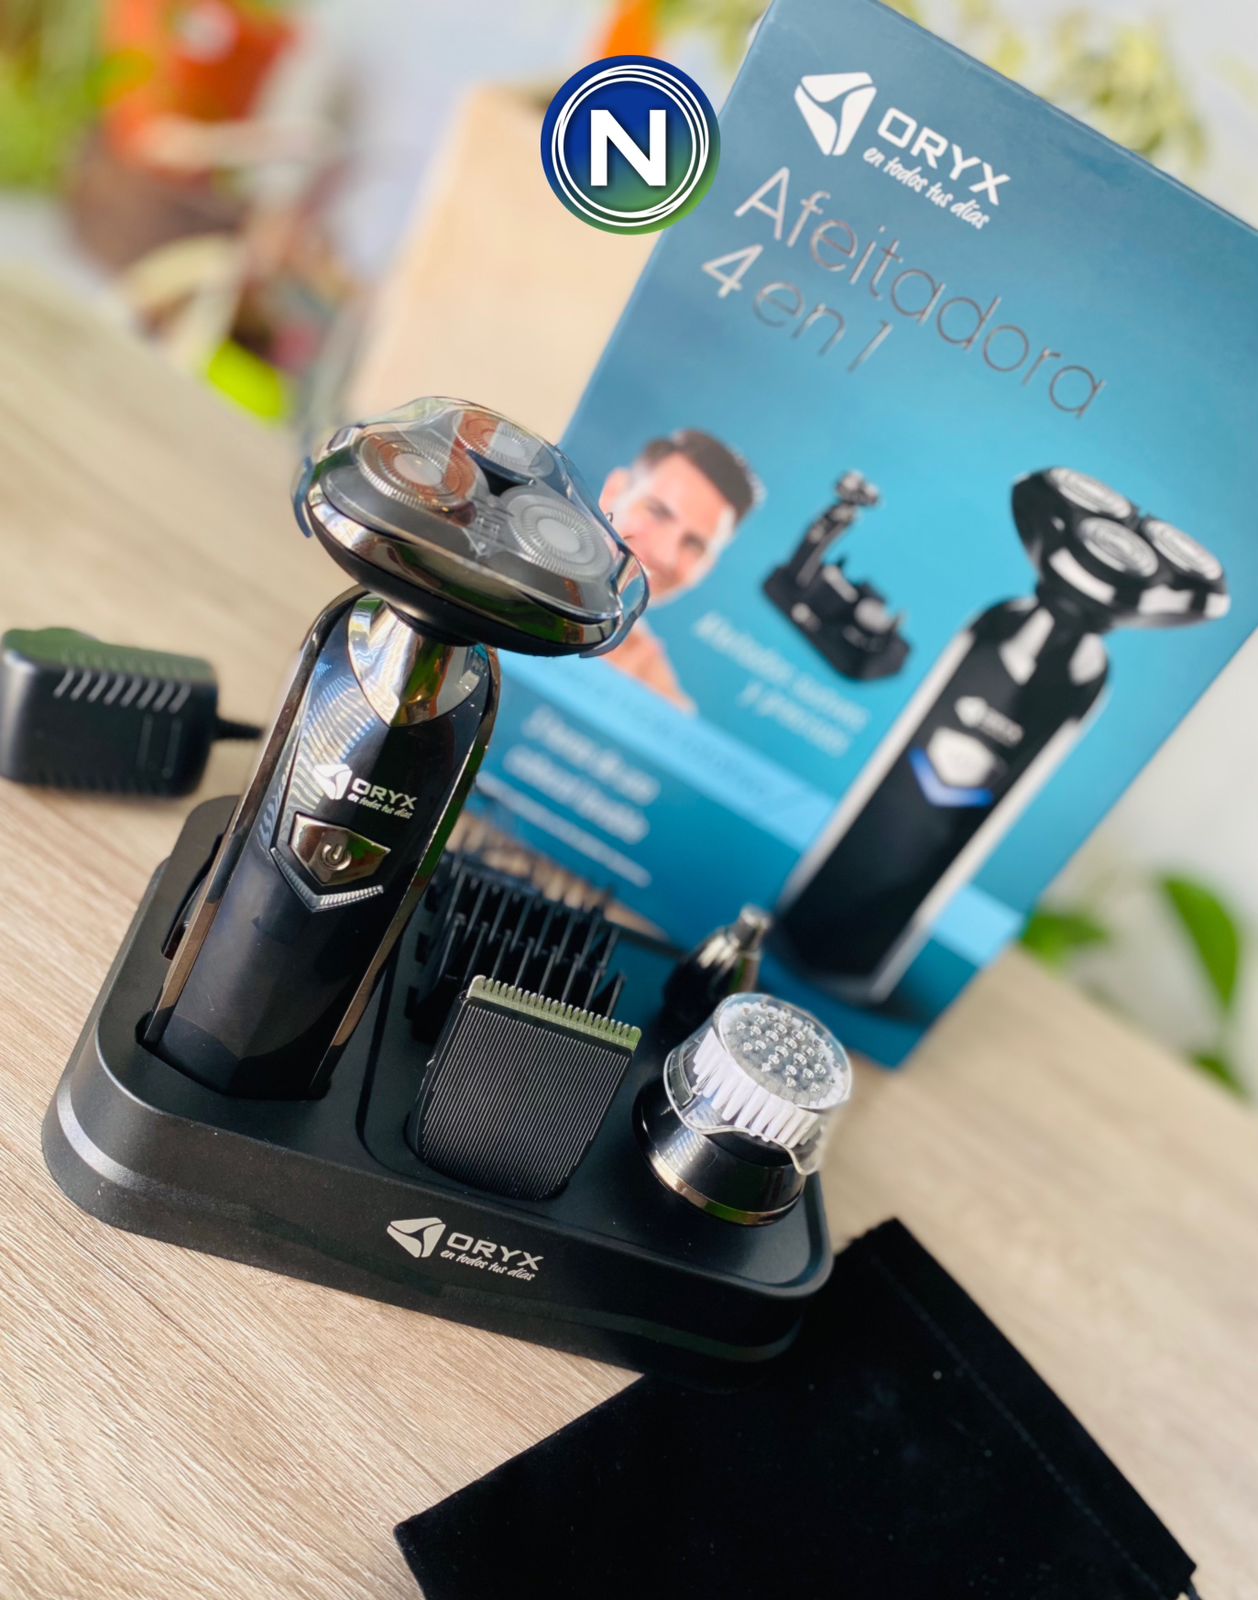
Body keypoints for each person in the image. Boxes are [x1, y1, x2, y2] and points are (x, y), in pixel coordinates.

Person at [599, 430, 759, 711]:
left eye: (694, 545)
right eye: (657, 512)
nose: (665, 555)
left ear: (707, 568)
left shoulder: (663, 704)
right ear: (614, 491)